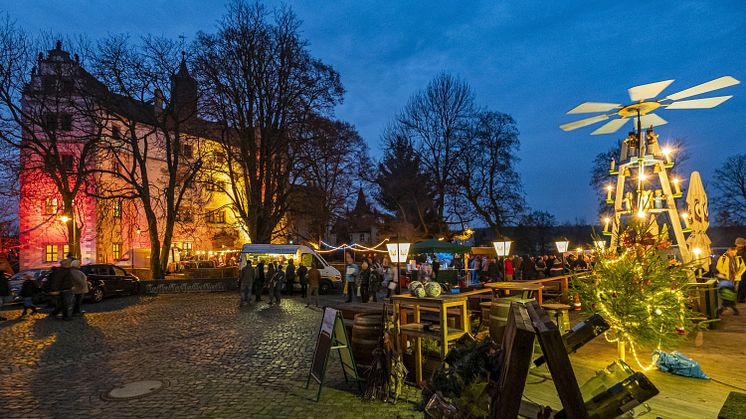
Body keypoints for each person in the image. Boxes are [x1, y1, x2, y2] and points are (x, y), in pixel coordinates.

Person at [736, 238, 746, 303]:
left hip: (743, 270)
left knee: (743, 284)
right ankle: (740, 298)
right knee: (742, 284)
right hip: (742, 270)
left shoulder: (741, 251)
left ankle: (740, 298)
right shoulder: (739, 251)